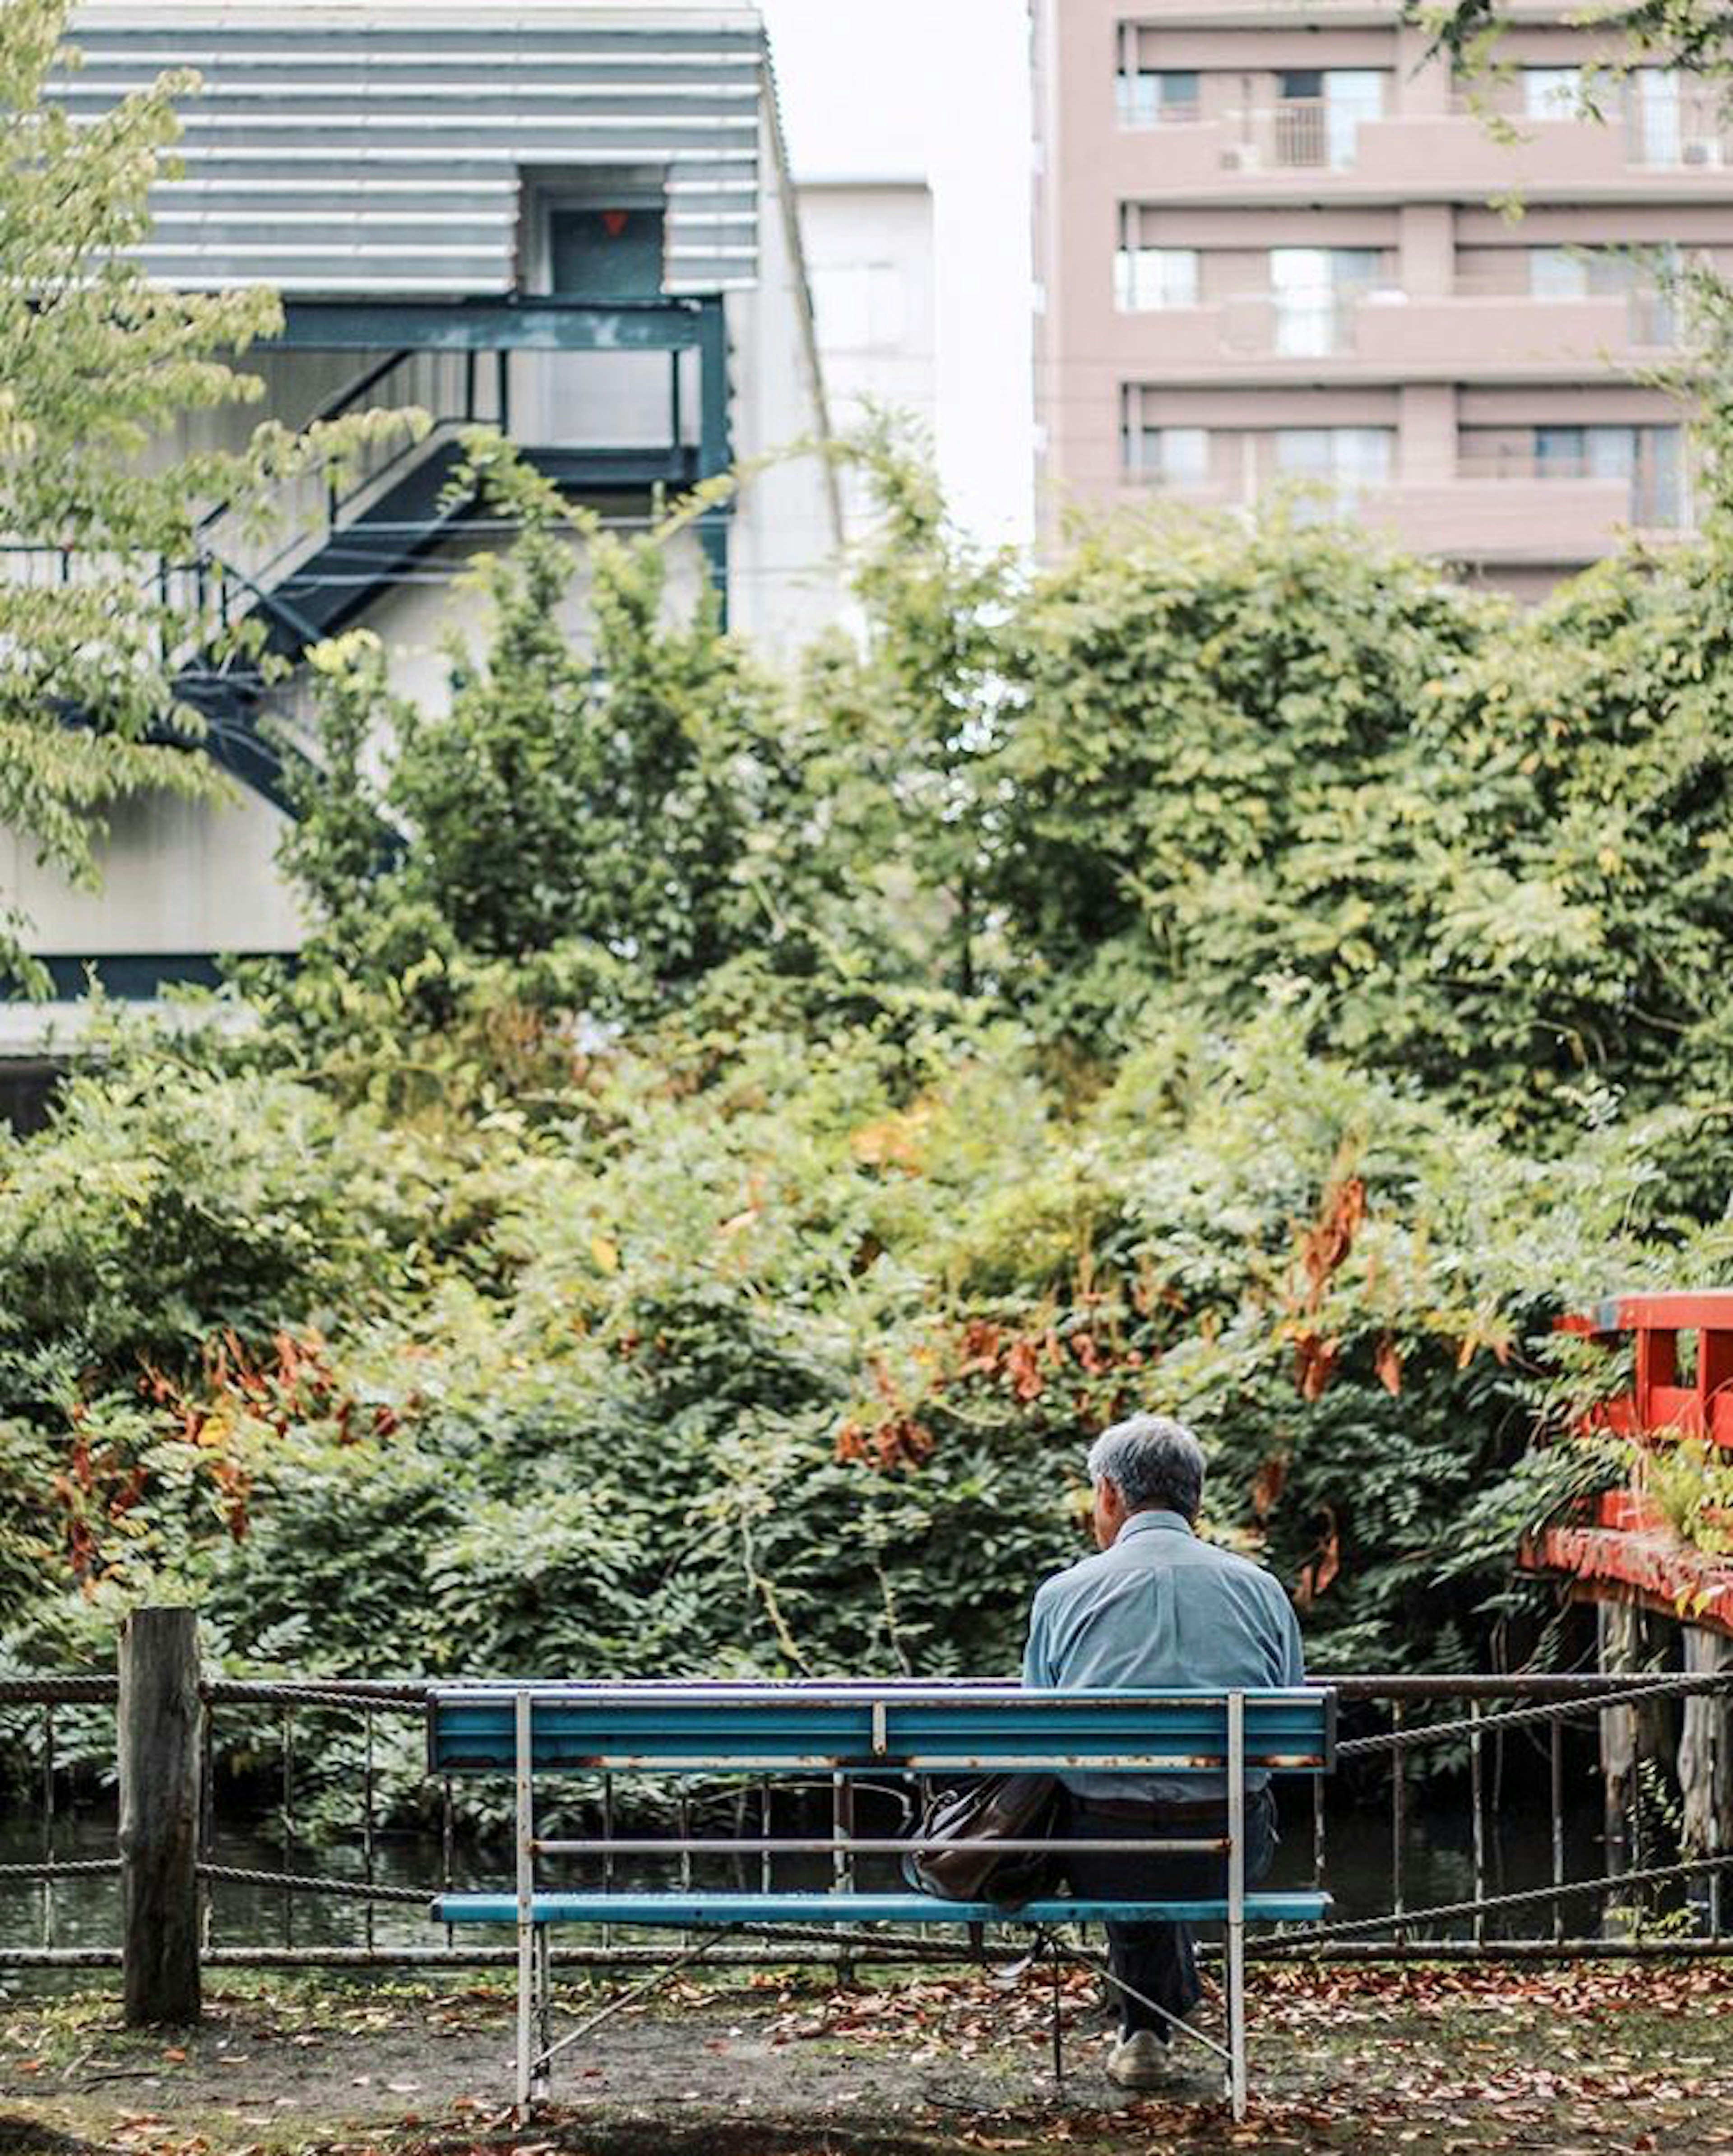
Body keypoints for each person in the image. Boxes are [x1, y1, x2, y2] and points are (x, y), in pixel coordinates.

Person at [1021, 1414, 1305, 2091]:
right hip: (1231, 1847)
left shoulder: (1063, 1594)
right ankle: (1148, 2025)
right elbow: (1287, 1717)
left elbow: (1034, 1731)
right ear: (1196, 1500)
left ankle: (1143, 2027)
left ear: (1111, 1496)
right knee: (1182, 1821)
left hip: (1101, 1851)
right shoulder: (1260, 1589)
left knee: (1117, 1816)